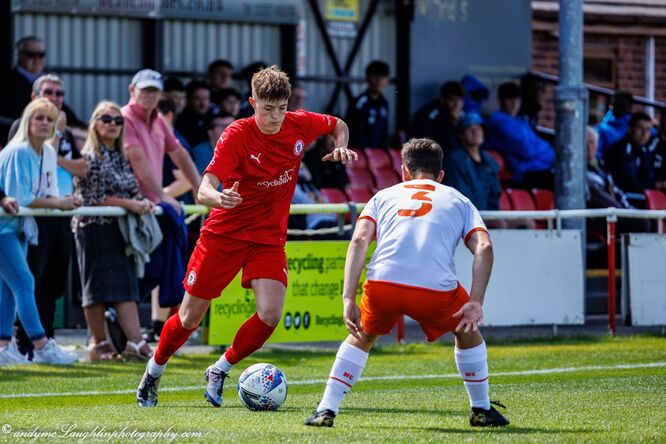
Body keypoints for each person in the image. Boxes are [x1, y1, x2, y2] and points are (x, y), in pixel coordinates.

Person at [136, 65, 358, 407]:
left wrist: (341, 145)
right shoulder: (236, 135)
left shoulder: (299, 123)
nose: (275, 117)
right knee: (188, 319)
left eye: (282, 108)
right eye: (268, 109)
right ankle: (153, 371)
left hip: (268, 239)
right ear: (252, 103)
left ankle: (219, 369)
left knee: (270, 314)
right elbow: (204, 189)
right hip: (224, 235)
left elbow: (337, 124)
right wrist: (218, 198)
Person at [304, 138, 509, 428]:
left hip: (382, 284)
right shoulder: (458, 199)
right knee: (467, 330)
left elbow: (360, 240)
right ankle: (481, 408)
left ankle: (326, 409)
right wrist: (475, 303)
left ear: (403, 171)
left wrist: (348, 297)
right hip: (435, 290)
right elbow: (484, 248)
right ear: (440, 176)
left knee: (362, 336)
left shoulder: (382, 196)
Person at [8, 74, 87, 358]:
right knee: (28, 283)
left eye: (59, 93)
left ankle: (34, 343)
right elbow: (29, 184)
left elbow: (82, 168)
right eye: (48, 92)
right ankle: (29, 343)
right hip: (25, 220)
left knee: (46, 285)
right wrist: (55, 134)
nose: (55, 98)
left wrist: (65, 200)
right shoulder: (22, 135)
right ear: (33, 98)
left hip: (54, 216)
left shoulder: (58, 137)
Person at [122, 69, 201, 342]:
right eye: (145, 91)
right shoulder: (124, 118)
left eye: (154, 91)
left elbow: (180, 154)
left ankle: (119, 323)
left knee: (155, 271)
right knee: (139, 271)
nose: (149, 96)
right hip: (129, 206)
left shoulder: (159, 122)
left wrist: (202, 190)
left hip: (150, 208)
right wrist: (163, 196)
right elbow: (137, 161)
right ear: (132, 90)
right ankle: (117, 323)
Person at [72, 101, 155, 362]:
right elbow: (93, 198)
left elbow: (130, 189)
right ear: (94, 124)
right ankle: (100, 344)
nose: (113, 125)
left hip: (120, 231)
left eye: (118, 121)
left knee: (125, 286)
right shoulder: (89, 158)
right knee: (95, 289)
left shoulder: (120, 156)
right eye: (106, 120)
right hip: (93, 229)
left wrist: (142, 201)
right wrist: (130, 204)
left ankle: (134, 342)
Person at [485, 82, 554, 189]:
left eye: (517, 99)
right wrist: (546, 150)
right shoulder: (499, 122)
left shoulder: (520, 121)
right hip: (522, 176)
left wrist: (547, 151)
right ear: (500, 101)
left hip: (536, 169)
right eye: (509, 99)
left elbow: (543, 149)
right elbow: (527, 150)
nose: (514, 103)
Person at [585, 126, 650, 234]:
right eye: (585, 143)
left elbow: (616, 191)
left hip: (616, 211)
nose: (588, 147)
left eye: (592, 142)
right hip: (599, 217)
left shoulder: (601, 167)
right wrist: (621, 211)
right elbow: (600, 198)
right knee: (642, 224)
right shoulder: (577, 173)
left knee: (652, 220)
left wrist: (629, 210)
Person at [444, 111, 501, 212]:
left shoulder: (488, 158)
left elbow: (495, 192)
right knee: (501, 225)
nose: (475, 132)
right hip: (468, 214)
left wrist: (494, 212)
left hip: (489, 214)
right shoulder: (455, 158)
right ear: (461, 135)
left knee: (527, 222)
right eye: (470, 128)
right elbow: (460, 195)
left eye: (478, 128)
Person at [603, 112, 663, 202]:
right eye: (640, 128)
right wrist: (657, 185)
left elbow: (648, 178)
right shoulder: (620, 150)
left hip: (637, 197)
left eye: (648, 129)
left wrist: (654, 184)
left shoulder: (643, 150)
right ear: (630, 129)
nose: (644, 134)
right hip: (620, 199)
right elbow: (629, 184)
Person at [0, 36, 46, 144]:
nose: (37, 59)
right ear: (20, 55)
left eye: (41, 55)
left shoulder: (47, 82)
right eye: (31, 55)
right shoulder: (5, 81)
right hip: (12, 136)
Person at [410, 81, 465, 153]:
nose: (457, 104)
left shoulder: (463, 114)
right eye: (453, 100)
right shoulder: (429, 114)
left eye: (460, 100)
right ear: (443, 100)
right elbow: (428, 142)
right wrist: (452, 123)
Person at [346, 61, 390, 149]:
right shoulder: (360, 103)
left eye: (383, 77)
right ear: (367, 78)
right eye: (375, 76)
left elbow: (384, 132)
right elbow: (354, 132)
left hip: (379, 155)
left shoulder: (384, 104)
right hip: (361, 154)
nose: (379, 81)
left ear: (387, 80)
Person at [175, 79, 213, 147]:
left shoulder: (214, 120)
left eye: (205, 98)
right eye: (197, 98)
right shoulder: (179, 122)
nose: (202, 103)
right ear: (188, 100)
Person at [595, 91, 633, 158]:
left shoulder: (635, 126)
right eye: (616, 105)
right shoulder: (603, 128)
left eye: (623, 105)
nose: (619, 109)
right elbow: (597, 154)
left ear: (630, 108)